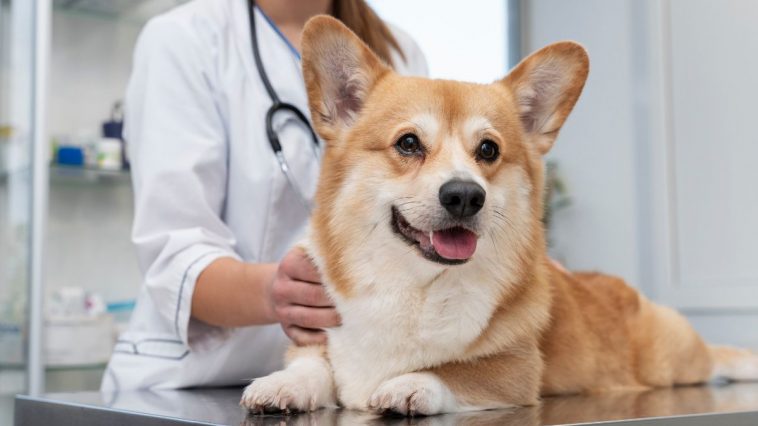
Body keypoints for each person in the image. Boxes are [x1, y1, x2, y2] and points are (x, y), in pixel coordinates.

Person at [101, 0, 428, 390]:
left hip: (338, 383)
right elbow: (176, 256)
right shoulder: (185, 38)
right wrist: (277, 292)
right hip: (193, 382)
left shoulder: (399, 52)